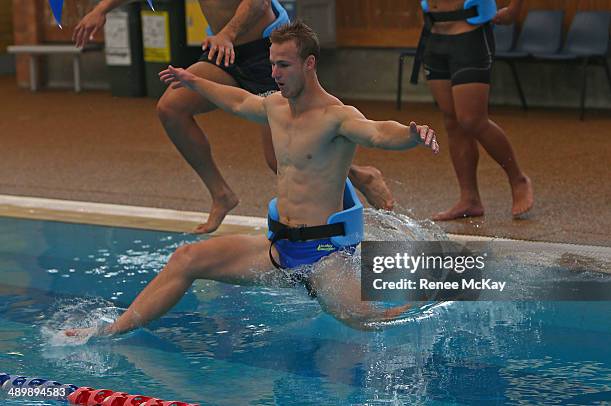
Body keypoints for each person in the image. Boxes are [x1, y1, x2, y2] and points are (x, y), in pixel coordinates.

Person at [66, 21, 439, 335]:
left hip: (326, 257)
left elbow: (376, 132)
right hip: (279, 249)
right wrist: (192, 81)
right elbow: (237, 101)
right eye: (273, 65)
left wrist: (410, 134)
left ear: (309, 64)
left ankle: (438, 293)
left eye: (284, 66)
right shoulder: (275, 106)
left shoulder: (336, 116)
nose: (275, 75)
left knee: (371, 322)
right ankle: (111, 331)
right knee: (187, 258)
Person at [73, 0, 395, 234]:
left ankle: (355, 184)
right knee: (171, 108)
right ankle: (222, 195)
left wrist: (225, 33)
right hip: (224, 52)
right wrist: (101, 9)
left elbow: (256, 4)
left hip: (265, 50)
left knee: (279, 159)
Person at [417, 0, 533, 220]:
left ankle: (518, 178)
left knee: (472, 120)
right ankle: (469, 199)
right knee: (452, 121)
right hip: (435, 33)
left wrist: (514, 10)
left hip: (470, 35)